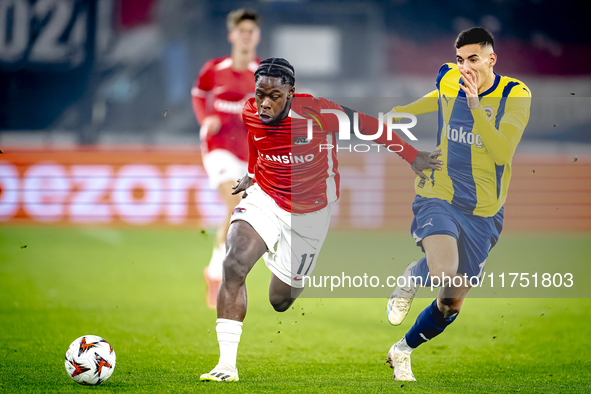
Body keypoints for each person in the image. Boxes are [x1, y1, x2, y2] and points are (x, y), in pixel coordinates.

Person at [200, 57, 442, 382]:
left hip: (309, 213)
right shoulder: (250, 111)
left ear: (291, 93)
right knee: (234, 263)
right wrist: (252, 174)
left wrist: (413, 156)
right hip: (266, 198)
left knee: (280, 300)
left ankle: (285, 260)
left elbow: (372, 127)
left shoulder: (318, 112)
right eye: (259, 94)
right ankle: (226, 366)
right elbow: (257, 143)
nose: (264, 103)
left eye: (274, 96)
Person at [385, 27, 531, 381]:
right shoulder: (451, 79)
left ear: (491, 60)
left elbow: (502, 151)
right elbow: (434, 97)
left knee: (451, 301)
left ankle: (402, 350)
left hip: (484, 214)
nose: (465, 67)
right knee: (444, 274)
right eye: (460, 60)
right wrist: (398, 114)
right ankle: (418, 273)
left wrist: (477, 108)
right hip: (440, 194)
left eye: (474, 60)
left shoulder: (516, 95)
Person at [191, 9, 261, 309]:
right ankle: (219, 276)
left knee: (238, 214)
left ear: (257, 37)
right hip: (217, 146)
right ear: (232, 35)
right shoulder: (214, 68)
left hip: (246, 152)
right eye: (241, 31)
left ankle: (212, 271)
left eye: (251, 31)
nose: (246, 36)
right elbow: (198, 94)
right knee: (235, 205)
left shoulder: (262, 73)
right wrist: (205, 119)